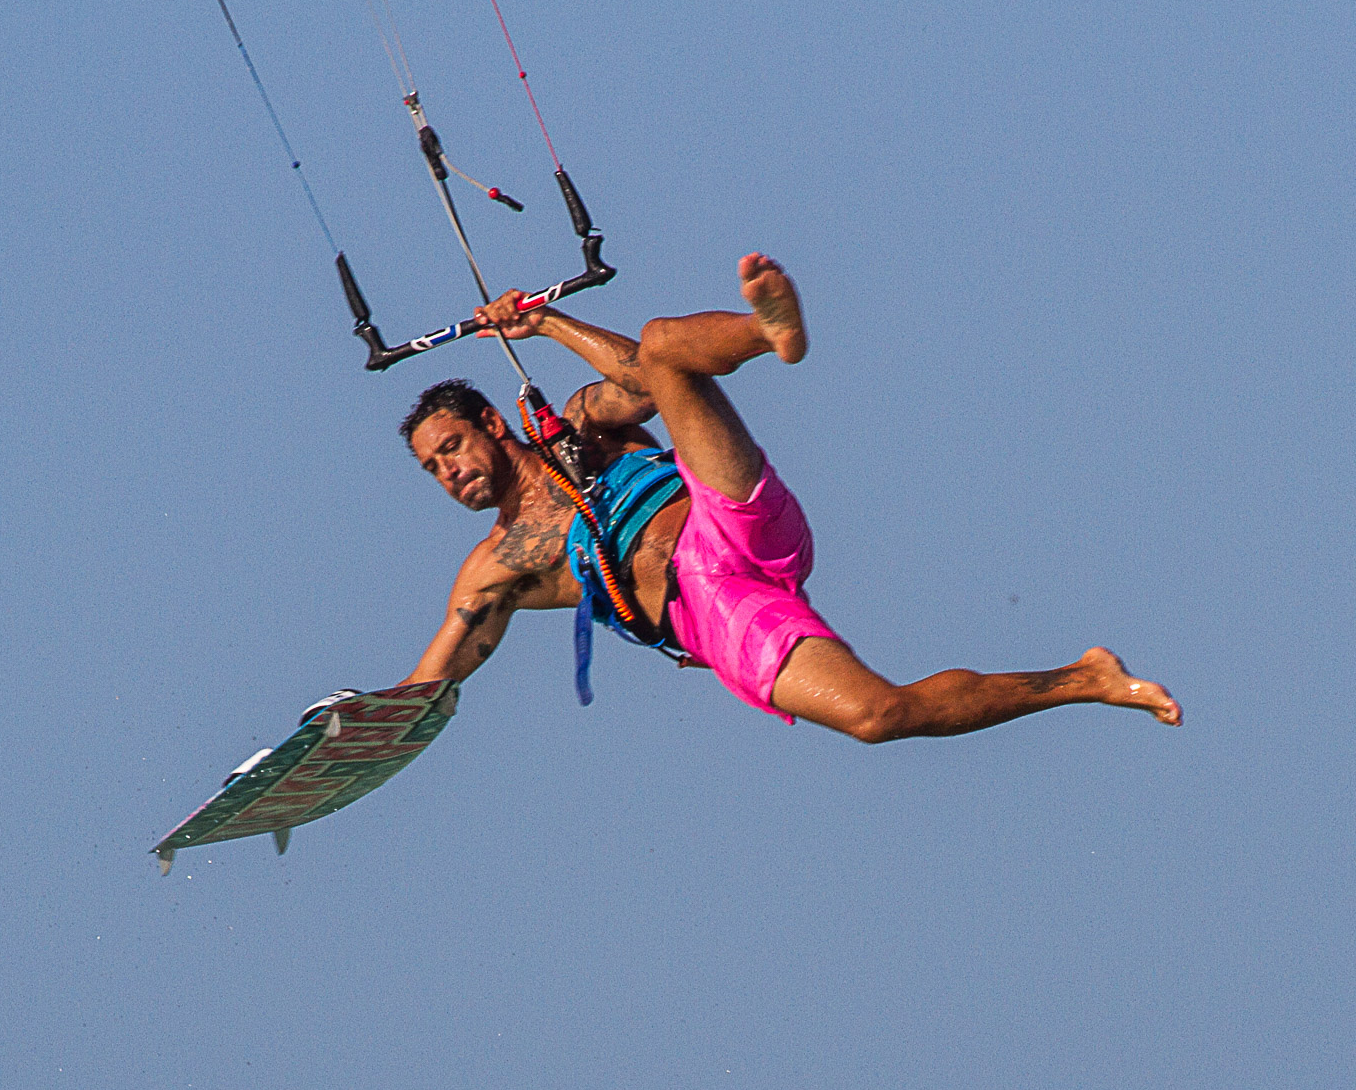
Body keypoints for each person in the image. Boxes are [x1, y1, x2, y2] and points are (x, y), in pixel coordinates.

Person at [397, 254, 1181, 740]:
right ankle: (1084, 679)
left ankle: (769, 332)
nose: (449, 472)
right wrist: (341, 744)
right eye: (433, 468)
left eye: (452, 448)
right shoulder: (499, 561)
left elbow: (640, 381)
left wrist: (547, 320)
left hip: (728, 516)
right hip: (713, 616)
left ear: (491, 424)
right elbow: (430, 681)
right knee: (880, 717)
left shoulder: (577, 426)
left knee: (666, 347)